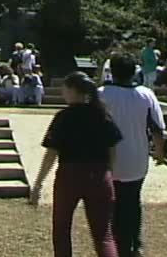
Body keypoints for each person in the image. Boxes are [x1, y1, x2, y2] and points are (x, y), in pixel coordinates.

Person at [30, 72, 122, 257]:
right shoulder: (102, 115)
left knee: (62, 229)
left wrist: (38, 183)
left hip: (69, 175)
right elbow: (113, 150)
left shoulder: (64, 117)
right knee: (103, 234)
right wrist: (109, 173)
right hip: (99, 174)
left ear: (72, 90)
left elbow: (51, 154)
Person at [98, 53, 166, 257]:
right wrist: (160, 152)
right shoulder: (146, 95)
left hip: (108, 160)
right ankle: (134, 244)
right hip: (137, 159)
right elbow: (157, 128)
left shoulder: (101, 94)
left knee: (112, 203)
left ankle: (115, 244)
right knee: (133, 201)